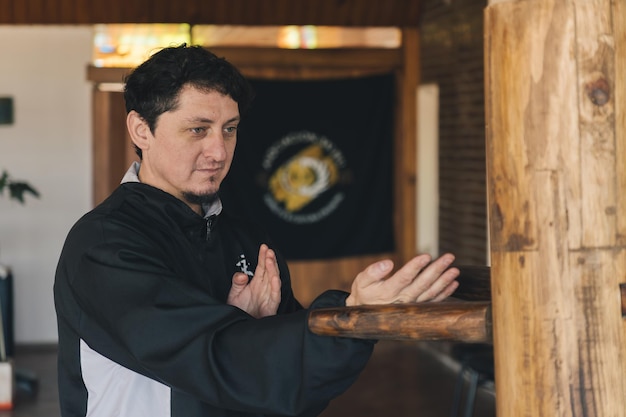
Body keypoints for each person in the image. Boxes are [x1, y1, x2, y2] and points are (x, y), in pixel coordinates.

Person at [54, 44, 460, 417]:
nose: (219, 151)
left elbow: (290, 388)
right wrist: (349, 319)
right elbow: (210, 360)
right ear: (141, 130)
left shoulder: (247, 239)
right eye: (198, 129)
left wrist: (351, 321)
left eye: (229, 129)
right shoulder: (104, 245)